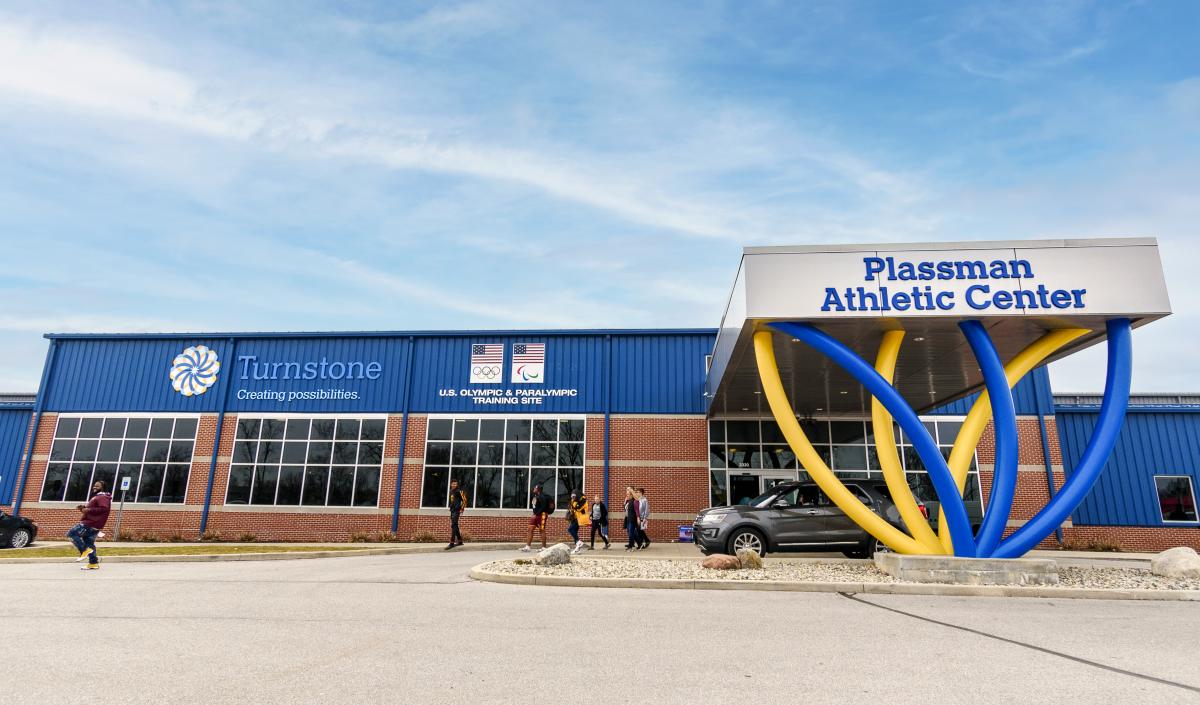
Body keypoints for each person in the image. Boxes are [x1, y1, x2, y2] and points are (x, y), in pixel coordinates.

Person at [68, 480, 111, 570]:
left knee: (72, 534)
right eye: (94, 486)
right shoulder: (98, 497)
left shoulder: (102, 497)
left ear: (103, 488)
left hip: (91, 523)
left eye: (97, 486)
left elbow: (104, 509)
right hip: (94, 523)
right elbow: (94, 509)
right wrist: (83, 509)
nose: (94, 487)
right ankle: (93, 563)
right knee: (89, 543)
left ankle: (84, 551)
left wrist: (87, 510)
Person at [521, 483, 551, 552]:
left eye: (535, 488)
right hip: (535, 515)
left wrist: (536, 513)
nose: (533, 489)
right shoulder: (535, 496)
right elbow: (535, 506)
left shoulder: (542, 496)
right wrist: (534, 514)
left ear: (538, 489)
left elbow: (543, 506)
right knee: (530, 528)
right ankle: (527, 547)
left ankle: (544, 548)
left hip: (542, 515)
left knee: (541, 530)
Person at [446, 478, 468, 550]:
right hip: (452, 510)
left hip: (457, 510)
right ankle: (460, 541)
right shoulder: (451, 491)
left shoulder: (459, 491)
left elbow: (464, 500)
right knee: (455, 525)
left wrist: (462, 509)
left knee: (453, 525)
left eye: (456, 484)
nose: (454, 485)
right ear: (451, 484)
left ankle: (452, 543)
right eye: (453, 484)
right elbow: (452, 501)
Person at [623, 486, 640, 551]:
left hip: (632, 519)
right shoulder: (628, 501)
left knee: (631, 532)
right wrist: (625, 501)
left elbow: (637, 510)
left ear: (631, 495)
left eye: (628, 494)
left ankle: (631, 546)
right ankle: (638, 543)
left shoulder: (634, 501)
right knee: (630, 532)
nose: (626, 495)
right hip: (628, 518)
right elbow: (625, 508)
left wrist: (638, 517)